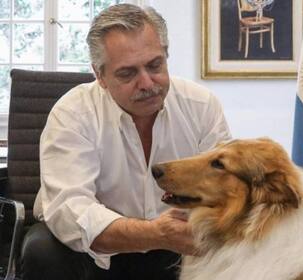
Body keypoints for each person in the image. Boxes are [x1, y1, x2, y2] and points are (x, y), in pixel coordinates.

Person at [21, 4, 231, 280]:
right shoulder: (73, 113)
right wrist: (154, 234)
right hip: (95, 250)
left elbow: (225, 187)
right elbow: (70, 210)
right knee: (42, 250)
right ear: (100, 76)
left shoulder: (201, 105)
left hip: (179, 244)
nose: (146, 83)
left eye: (155, 65)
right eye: (127, 73)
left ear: (166, 55)